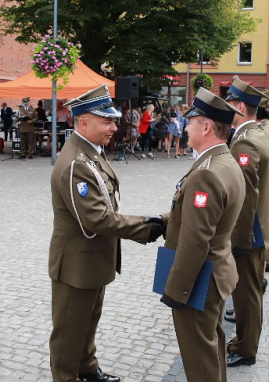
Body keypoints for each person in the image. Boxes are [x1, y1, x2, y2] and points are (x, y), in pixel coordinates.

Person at [49, 84, 164, 382]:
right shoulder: (77, 163)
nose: (114, 127)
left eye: (112, 120)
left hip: (92, 259)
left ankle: (87, 368)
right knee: (69, 331)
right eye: (107, 121)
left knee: (87, 322)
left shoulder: (90, 153)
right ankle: (66, 376)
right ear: (83, 122)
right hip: (77, 263)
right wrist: (144, 227)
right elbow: (97, 219)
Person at [156, 88, 245, 382]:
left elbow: (196, 241)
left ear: (206, 126)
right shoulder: (225, 161)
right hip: (217, 272)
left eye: (191, 120)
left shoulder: (207, 172)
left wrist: (176, 291)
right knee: (211, 348)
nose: (185, 125)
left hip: (200, 280)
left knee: (199, 360)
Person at [223, 77, 269, 368]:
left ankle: (245, 347)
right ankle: (245, 343)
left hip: (249, 231)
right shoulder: (256, 134)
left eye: (230, 103)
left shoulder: (244, 141)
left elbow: (245, 197)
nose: (227, 108)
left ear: (240, 106)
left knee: (246, 295)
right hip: (259, 227)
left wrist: (239, 241)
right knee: (250, 291)